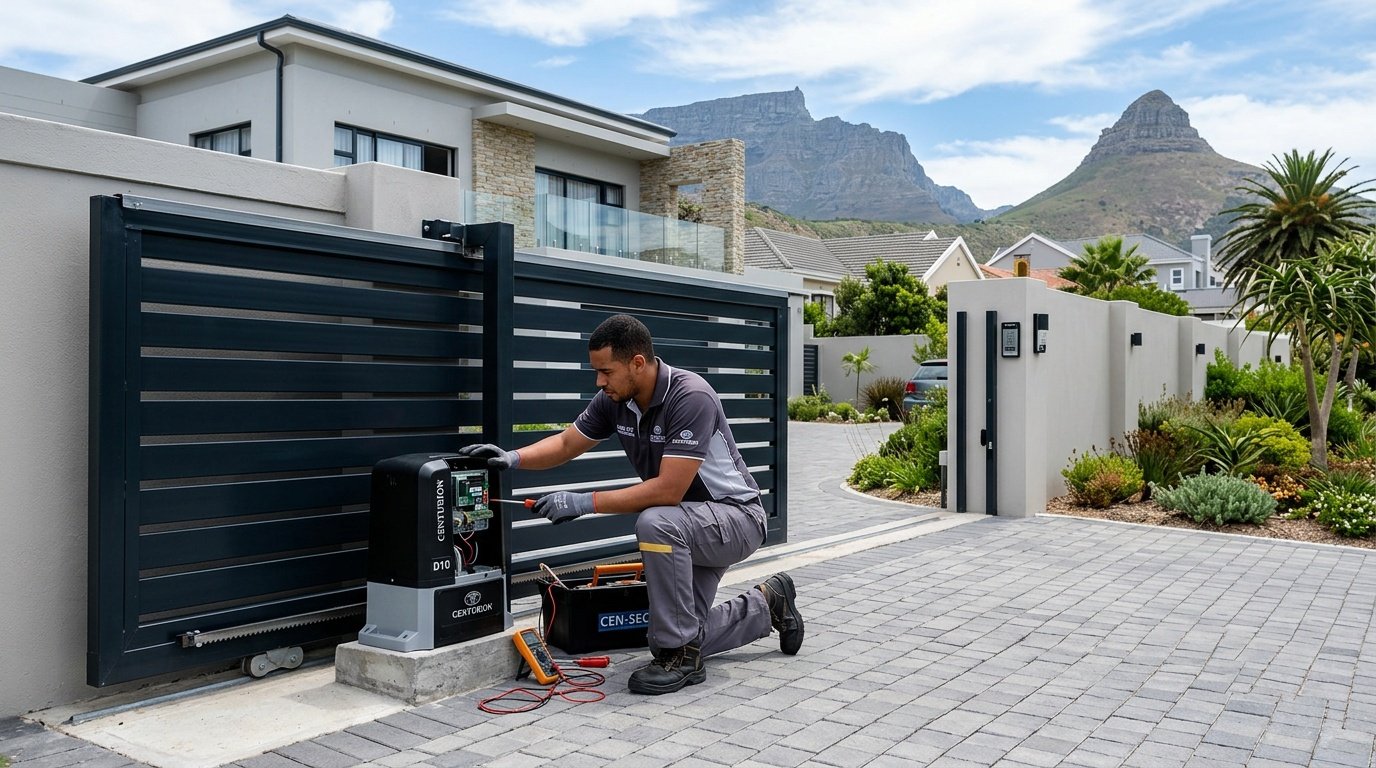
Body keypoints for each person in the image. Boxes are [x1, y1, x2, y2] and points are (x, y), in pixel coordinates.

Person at [459, 313, 803, 695]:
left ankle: (682, 659)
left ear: (637, 363)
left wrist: (583, 502)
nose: (599, 381)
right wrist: (513, 459)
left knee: (655, 522)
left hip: (735, 519)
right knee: (676, 634)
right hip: (688, 525)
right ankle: (768, 603)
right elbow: (567, 443)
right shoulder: (614, 400)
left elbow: (668, 490)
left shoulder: (690, 396)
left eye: (605, 371)